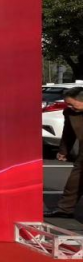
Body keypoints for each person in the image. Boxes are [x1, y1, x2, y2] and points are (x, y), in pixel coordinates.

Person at [45, 86, 83, 219]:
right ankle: (65, 209)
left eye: (72, 103)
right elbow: (68, 133)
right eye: (68, 104)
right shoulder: (70, 113)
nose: (69, 106)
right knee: (74, 182)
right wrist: (63, 151)